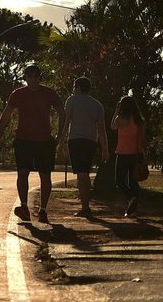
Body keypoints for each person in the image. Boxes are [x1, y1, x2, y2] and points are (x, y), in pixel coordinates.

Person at [0, 64, 65, 224]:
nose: (33, 79)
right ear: (25, 78)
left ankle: (43, 210)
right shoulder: (18, 94)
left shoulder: (49, 93)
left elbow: (62, 112)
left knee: (45, 175)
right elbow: (6, 115)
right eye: (29, 76)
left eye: (36, 76)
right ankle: (24, 207)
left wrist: (60, 136)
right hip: (23, 140)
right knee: (23, 173)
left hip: (44, 140)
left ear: (40, 77)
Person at [59, 77, 109, 219]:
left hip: (76, 140)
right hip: (91, 141)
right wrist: (105, 149)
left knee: (81, 174)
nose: (73, 89)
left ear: (79, 88)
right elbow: (102, 129)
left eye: (74, 86)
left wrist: (62, 141)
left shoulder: (71, 100)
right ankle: (85, 206)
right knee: (85, 173)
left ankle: (85, 208)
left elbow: (67, 122)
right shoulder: (97, 105)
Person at [111, 95, 145, 217]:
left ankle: (131, 198)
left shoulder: (121, 119)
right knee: (133, 181)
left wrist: (116, 111)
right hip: (136, 154)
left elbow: (112, 127)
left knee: (119, 181)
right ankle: (132, 208)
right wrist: (144, 155)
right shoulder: (140, 121)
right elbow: (143, 140)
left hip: (122, 153)